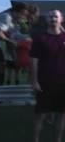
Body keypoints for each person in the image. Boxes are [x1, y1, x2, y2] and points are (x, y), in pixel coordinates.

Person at [30, 9, 65, 142]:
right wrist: (34, 81)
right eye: (50, 17)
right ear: (46, 20)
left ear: (61, 19)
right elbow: (33, 61)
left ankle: (58, 140)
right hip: (45, 82)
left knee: (61, 114)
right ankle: (36, 139)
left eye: (56, 17)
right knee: (40, 115)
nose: (53, 19)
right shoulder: (40, 39)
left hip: (63, 84)